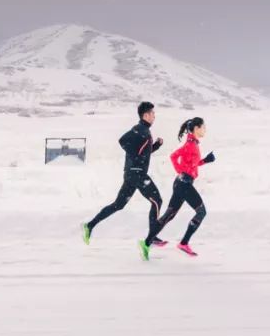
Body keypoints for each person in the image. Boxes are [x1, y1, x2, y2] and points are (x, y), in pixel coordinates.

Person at [82, 101, 165, 246]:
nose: (154, 116)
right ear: (145, 115)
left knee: (118, 204)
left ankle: (90, 225)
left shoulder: (144, 130)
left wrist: (155, 146)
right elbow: (123, 141)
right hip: (137, 174)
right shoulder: (140, 129)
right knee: (157, 201)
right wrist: (135, 159)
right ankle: (152, 236)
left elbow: (143, 152)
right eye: (152, 113)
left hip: (132, 175)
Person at [140, 116, 215, 259]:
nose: (205, 130)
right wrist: (181, 172)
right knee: (201, 212)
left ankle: (146, 243)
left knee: (168, 216)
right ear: (197, 128)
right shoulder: (191, 145)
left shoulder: (192, 143)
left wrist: (205, 161)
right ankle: (184, 243)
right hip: (184, 183)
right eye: (203, 127)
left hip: (181, 183)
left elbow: (192, 164)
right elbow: (173, 156)